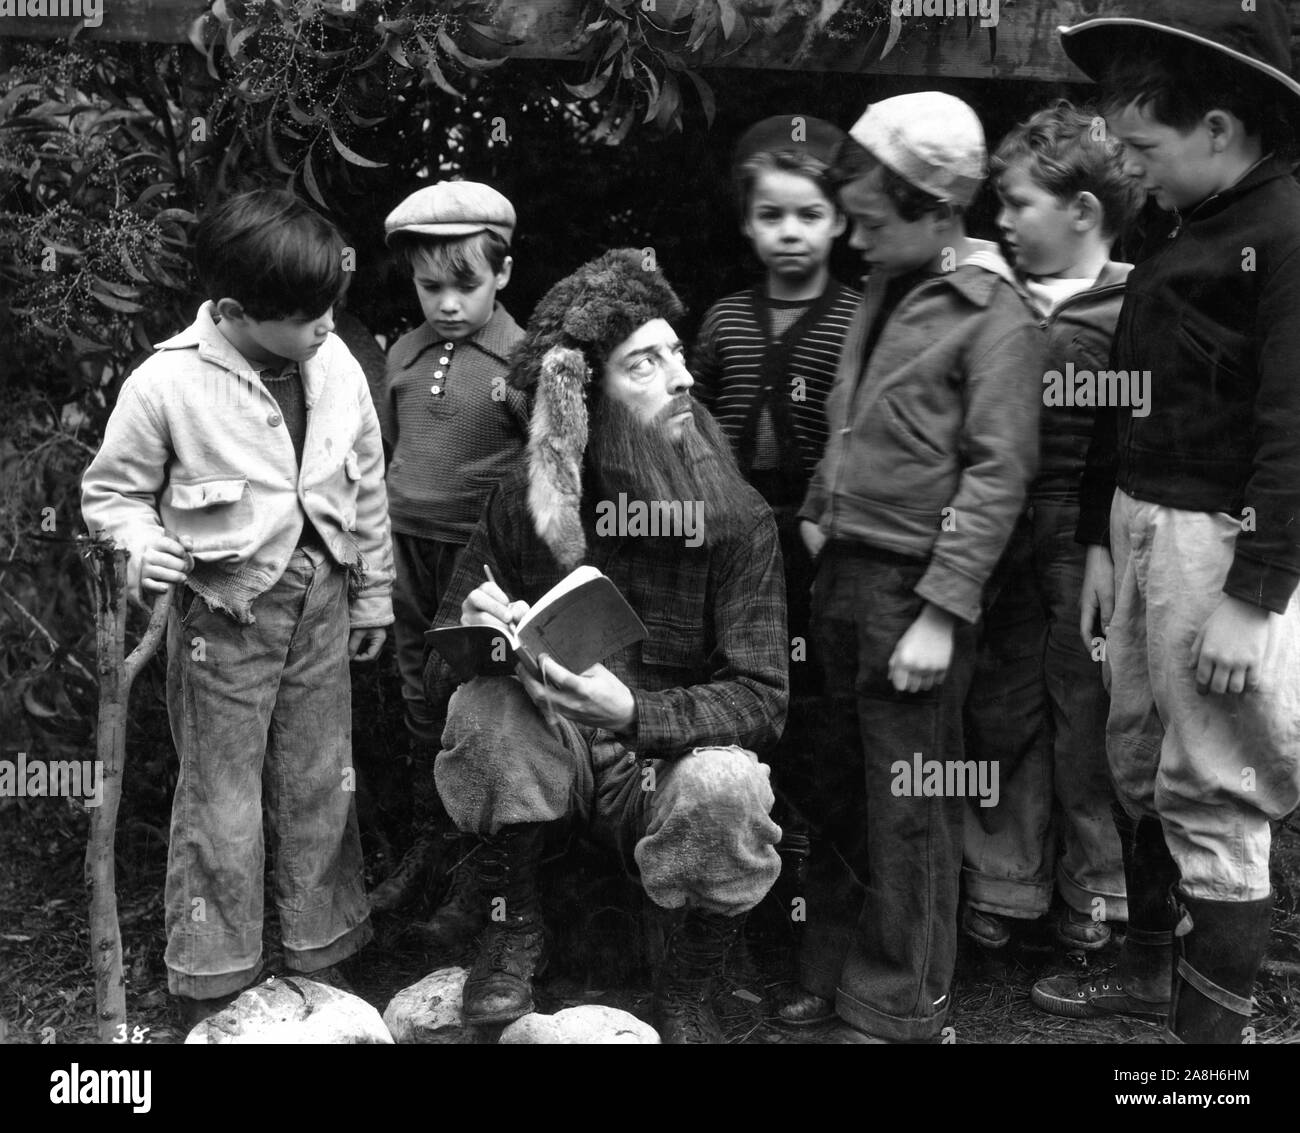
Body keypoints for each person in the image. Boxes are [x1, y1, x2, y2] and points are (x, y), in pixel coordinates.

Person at [423, 248, 788, 1043]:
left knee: (729, 781)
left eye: (678, 354)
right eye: (645, 364)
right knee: (483, 708)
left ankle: (692, 980)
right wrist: (485, 630)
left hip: (663, 773)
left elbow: (764, 698)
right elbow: (433, 666)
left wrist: (637, 713)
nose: (685, 378)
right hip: (553, 757)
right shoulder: (521, 505)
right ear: (587, 399)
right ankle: (510, 927)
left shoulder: (739, 516)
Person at [1031, 0, 1300, 1045]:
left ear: (1220, 133)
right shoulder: (1181, 230)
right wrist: (1101, 531)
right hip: (1142, 528)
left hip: (1217, 547)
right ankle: (1151, 970)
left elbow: (1293, 426)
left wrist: (1253, 594)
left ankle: (1209, 1056)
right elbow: (1129, 389)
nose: (1128, 169)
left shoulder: (1283, 238)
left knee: (1215, 785)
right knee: (1138, 755)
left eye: (1144, 147)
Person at [80, 189, 394, 1026]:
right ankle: (215, 970)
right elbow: (112, 496)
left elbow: (366, 487)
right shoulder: (166, 382)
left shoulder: (337, 369)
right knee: (221, 792)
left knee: (323, 777)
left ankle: (323, 952)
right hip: (225, 614)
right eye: (305, 316)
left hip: (322, 601)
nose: (326, 326)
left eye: (331, 306)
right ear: (232, 311)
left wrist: (372, 594)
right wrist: (139, 546)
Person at [780, 92, 1046, 1042]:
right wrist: (819, 511)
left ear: (936, 209)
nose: (851, 239)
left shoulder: (995, 313)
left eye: (869, 220)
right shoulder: (885, 289)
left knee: (910, 806)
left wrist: (941, 611)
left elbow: (1000, 472)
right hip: (847, 574)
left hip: (917, 593)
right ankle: (833, 970)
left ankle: (899, 1007)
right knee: (838, 785)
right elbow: (851, 415)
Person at [960, 101, 1143, 954]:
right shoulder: (990, 301)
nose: (1000, 219)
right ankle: (1003, 881)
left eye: (1019, 201)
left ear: (1082, 212)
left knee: (1090, 716)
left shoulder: (1137, 305)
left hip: (1090, 547)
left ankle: (1100, 892)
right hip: (997, 545)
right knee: (998, 711)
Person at [692, 113, 860, 823]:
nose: (790, 231)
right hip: (735, 524)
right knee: (737, 661)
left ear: (841, 222)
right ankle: (738, 810)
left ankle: (807, 826)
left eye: (809, 214)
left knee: (815, 672)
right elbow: (689, 418)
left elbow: (862, 432)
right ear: (748, 225)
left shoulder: (856, 317)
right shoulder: (726, 319)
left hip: (820, 531)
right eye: (772, 215)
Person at [368, 182, 527, 922]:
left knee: (468, 689)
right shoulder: (403, 353)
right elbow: (389, 454)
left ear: (503, 273)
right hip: (407, 546)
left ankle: (478, 867)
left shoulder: (523, 360)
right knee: (411, 687)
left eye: (466, 284)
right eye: (431, 286)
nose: (448, 303)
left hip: (479, 558)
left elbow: (542, 471)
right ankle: (427, 845)